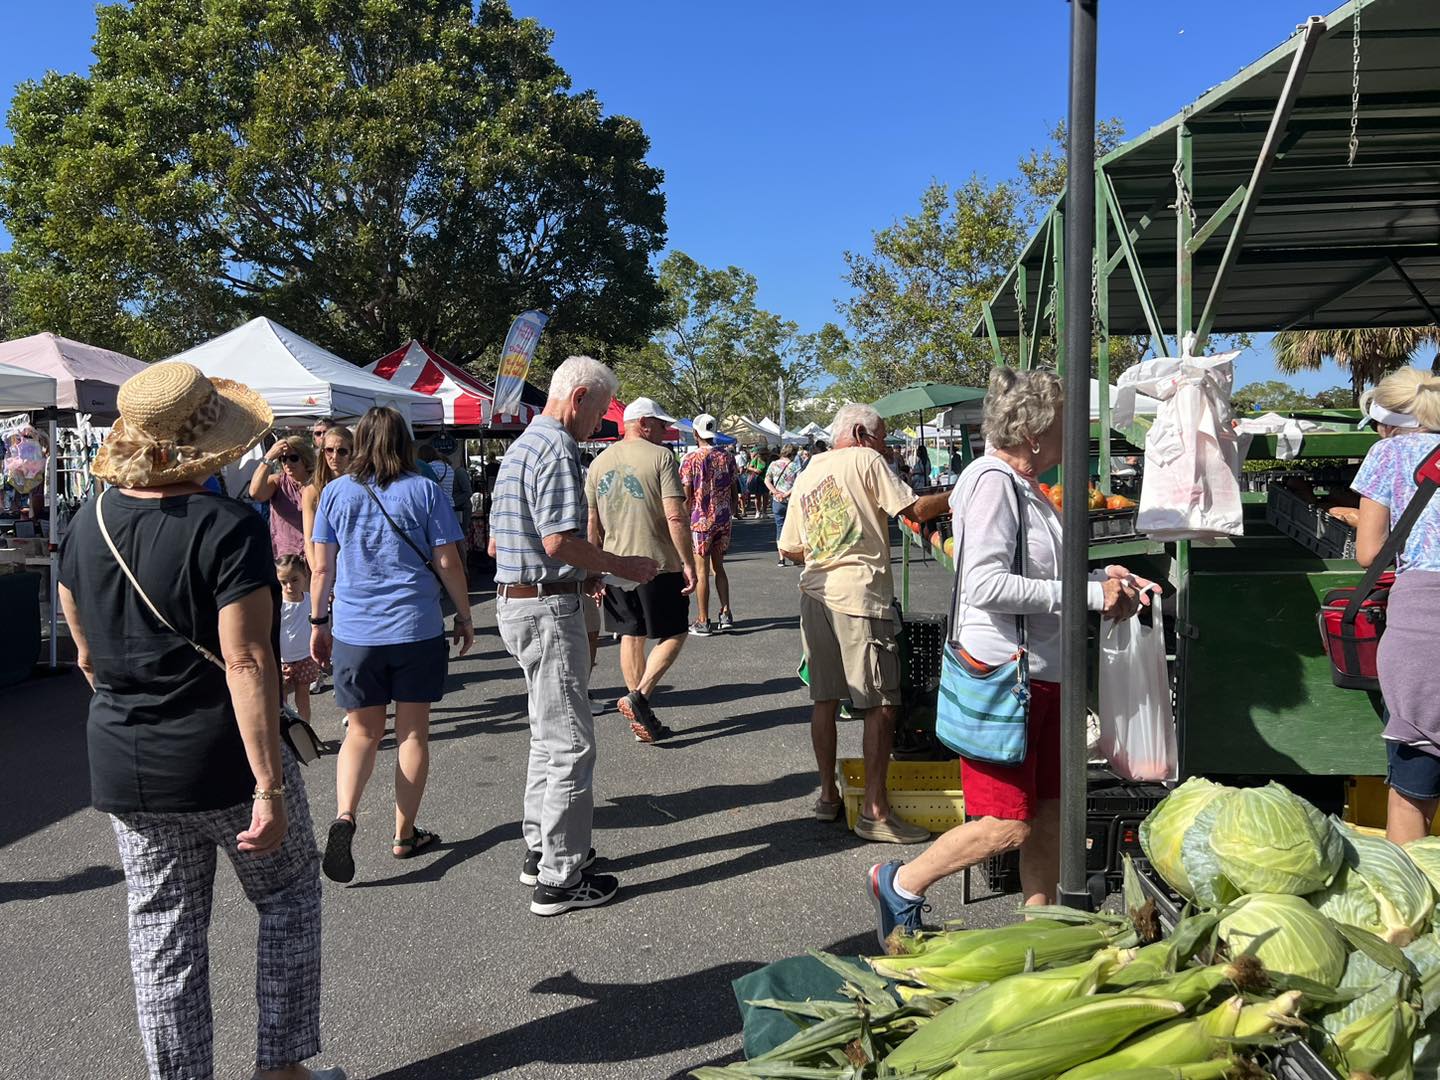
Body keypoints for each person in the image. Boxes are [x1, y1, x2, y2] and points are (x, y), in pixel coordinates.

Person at [56, 361, 342, 1080]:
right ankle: (281, 1069)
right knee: (287, 897)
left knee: (163, 933)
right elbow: (245, 662)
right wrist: (269, 786)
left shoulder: (87, 523)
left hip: (126, 759)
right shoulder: (225, 527)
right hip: (221, 758)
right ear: (209, 441)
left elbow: (84, 653)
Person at [865, 369, 1149, 941]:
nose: (1075, 436)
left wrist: (1103, 577)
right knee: (1006, 825)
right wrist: (1092, 595)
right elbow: (986, 585)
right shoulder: (992, 482)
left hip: (1041, 676)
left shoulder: (1024, 488)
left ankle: (1039, 934)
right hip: (1005, 682)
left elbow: (1041, 573)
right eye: (1067, 424)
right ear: (1037, 432)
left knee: (1047, 817)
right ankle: (899, 882)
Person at [491, 356, 658, 916]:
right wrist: (618, 565)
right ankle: (561, 875)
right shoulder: (557, 447)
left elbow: (501, 544)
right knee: (569, 740)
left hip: (516, 600)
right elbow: (560, 539)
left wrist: (586, 570)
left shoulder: (520, 446)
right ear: (579, 396)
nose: (598, 423)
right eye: (599, 410)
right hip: (544, 606)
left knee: (547, 732)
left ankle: (543, 851)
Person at [309, 407, 473, 883]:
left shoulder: (336, 492)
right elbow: (448, 560)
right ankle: (404, 833)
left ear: (358, 442)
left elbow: (321, 568)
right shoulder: (424, 490)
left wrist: (318, 621)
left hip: (355, 631)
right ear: (404, 441)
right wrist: (464, 616)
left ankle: (345, 815)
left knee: (361, 732)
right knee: (412, 733)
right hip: (415, 626)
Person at [778, 402, 952, 846]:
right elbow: (915, 511)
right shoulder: (866, 459)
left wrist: (830, 545)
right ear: (859, 432)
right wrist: (960, 491)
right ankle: (875, 812)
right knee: (881, 703)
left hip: (814, 594)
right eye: (881, 437)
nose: (886, 448)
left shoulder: (810, 469)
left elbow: (791, 547)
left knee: (825, 700)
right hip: (858, 595)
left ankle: (826, 796)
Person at [1352, 369, 1440, 844]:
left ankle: (1411, 909)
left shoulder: (1386, 454)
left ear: (1385, 420)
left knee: (1414, 785)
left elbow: (1371, 553)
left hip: (1421, 626)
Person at [586, 397, 698, 743]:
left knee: (630, 634)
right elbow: (675, 516)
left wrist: (595, 565)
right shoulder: (662, 457)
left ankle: (639, 713)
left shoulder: (598, 462)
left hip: (614, 563)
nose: (666, 432)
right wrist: (689, 563)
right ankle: (640, 696)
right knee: (676, 631)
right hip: (656, 561)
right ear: (644, 423)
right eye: (662, 425)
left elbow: (593, 523)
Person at [681, 414, 738, 636]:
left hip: (700, 520)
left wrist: (684, 519)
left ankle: (703, 620)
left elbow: (687, 495)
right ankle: (726, 612)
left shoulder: (690, 460)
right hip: (723, 518)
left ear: (696, 434)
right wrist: (730, 509)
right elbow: (734, 489)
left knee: (702, 572)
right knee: (719, 567)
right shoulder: (727, 457)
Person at [250, 434, 315, 559]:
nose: (288, 463)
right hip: (286, 558)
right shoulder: (277, 482)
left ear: (305, 458)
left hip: (314, 555)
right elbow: (255, 493)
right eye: (283, 459)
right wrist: (269, 457)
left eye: (293, 458)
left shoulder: (318, 484)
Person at [301, 425, 353, 573]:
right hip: (323, 567)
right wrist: (319, 573)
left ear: (352, 453)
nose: (334, 456)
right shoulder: (312, 491)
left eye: (342, 451)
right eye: (329, 450)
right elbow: (309, 540)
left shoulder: (361, 488)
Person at [276, 554, 319, 723]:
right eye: (283, 582)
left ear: (305, 576)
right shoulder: (277, 604)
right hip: (282, 660)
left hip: (305, 658)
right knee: (282, 704)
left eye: (294, 580)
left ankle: (306, 735)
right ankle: (287, 739)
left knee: (304, 701)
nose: (289, 586)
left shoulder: (310, 600)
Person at [766, 444, 803, 567]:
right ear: (792, 454)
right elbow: (798, 483)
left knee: (780, 527)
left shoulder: (773, 464)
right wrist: (787, 494)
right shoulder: (795, 466)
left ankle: (781, 558)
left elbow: (767, 480)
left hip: (777, 500)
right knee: (794, 527)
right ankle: (793, 554)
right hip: (791, 500)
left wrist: (776, 492)